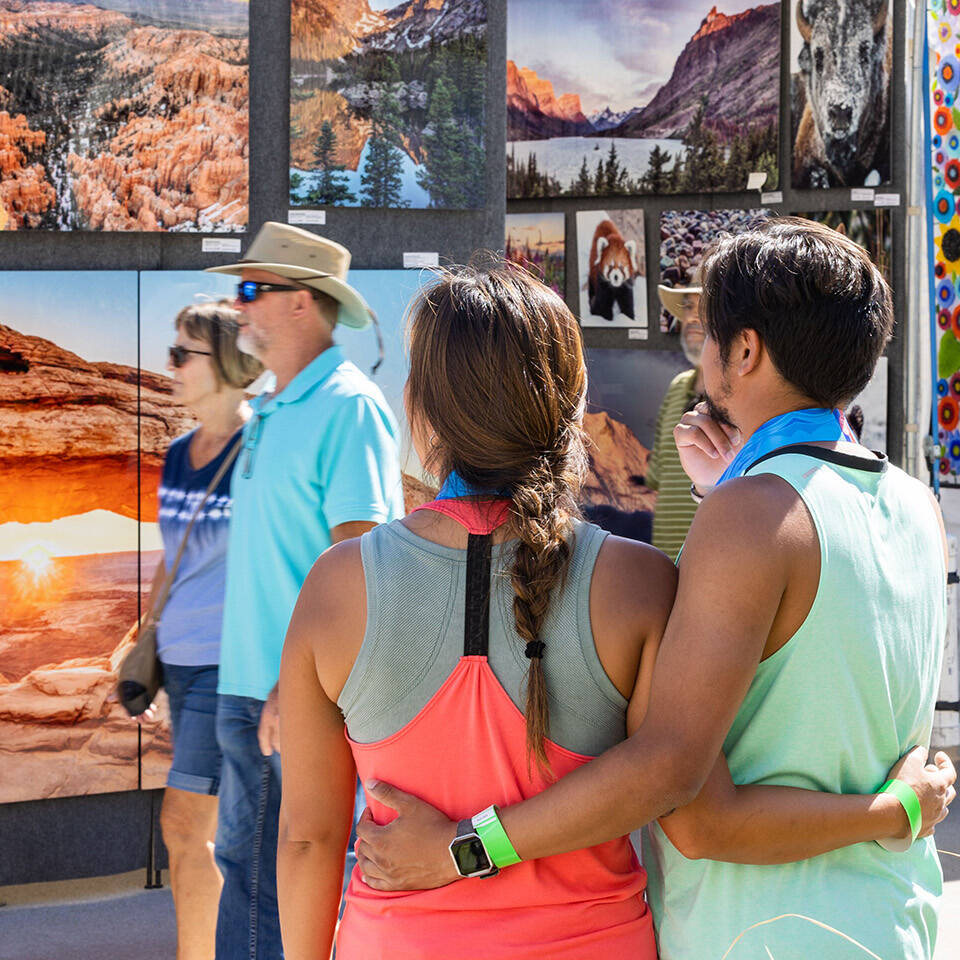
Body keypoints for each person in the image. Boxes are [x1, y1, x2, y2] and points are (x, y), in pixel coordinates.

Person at [276, 263, 952, 960]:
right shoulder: (639, 582)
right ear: (571, 405)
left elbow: (308, 837)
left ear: (419, 403)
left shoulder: (336, 586)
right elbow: (667, 778)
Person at [204, 222, 404, 959]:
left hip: (291, 700)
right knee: (250, 877)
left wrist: (296, 688)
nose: (239, 305)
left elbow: (361, 557)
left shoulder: (348, 407)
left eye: (254, 290)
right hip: (249, 689)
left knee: (274, 890)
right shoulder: (275, 407)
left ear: (304, 305)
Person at [147, 301, 262, 960]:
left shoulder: (261, 450)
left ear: (222, 362)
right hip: (182, 662)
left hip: (230, 668)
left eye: (181, 353)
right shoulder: (177, 455)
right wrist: (143, 637)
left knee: (185, 825)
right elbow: (174, 555)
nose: (171, 366)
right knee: (206, 833)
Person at [648, 283, 705, 557]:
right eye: (689, 307)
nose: (692, 318)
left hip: (716, 570)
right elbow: (658, 480)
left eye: (704, 308)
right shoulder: (677, 387)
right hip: (665, 565)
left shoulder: (741, 398)